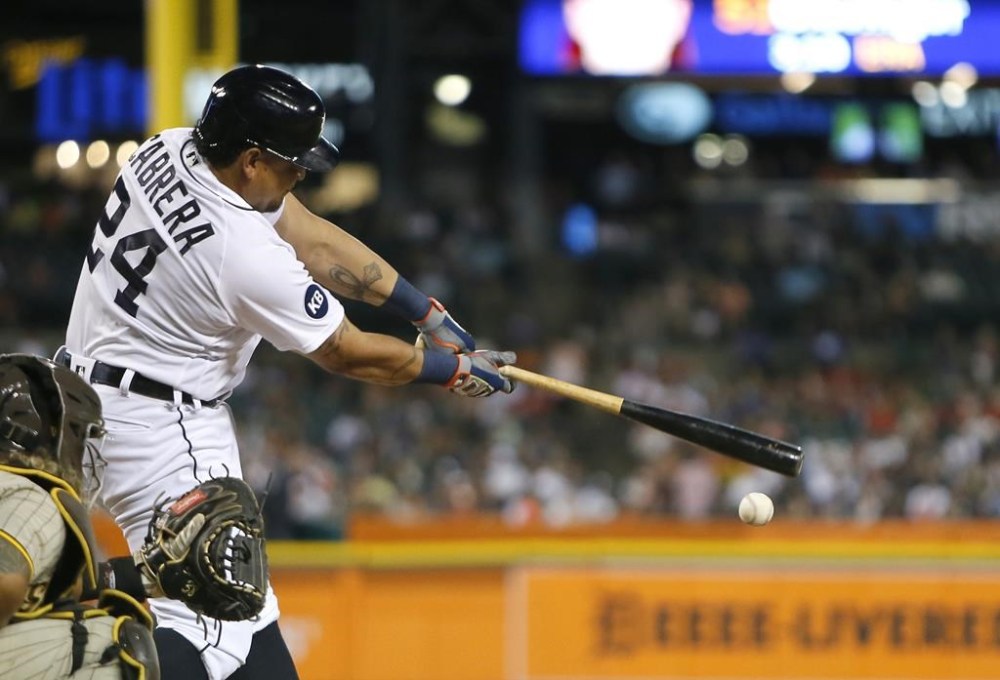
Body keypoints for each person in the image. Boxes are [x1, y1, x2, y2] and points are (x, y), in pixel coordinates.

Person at [59, 63, 517, 680]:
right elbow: (345, 351)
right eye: (290, 160)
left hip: (74, 399)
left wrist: (425, 312)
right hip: (161, 427)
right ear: (250, 159)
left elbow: (312, 238)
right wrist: (451, 371)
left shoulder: (164, 149)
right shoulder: (241, 252)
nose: (302, 171)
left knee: (198, 596)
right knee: (217, 600)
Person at [0, 353, 158, 679]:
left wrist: (143, 574)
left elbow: (42, 582)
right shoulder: (31, 496)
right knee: (115, 640)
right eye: (78, 434)